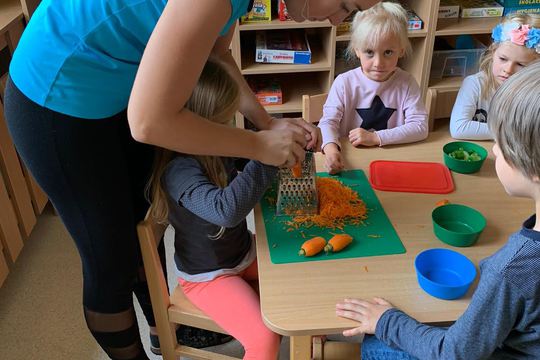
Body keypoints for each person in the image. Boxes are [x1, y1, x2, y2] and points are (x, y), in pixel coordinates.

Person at [3, 0, 381, 358]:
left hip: (114, 86)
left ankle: (162, 332)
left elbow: (217, 53)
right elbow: (150, 122)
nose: (337, 21)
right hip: (55, 95)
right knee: (110, 261)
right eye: (347, 6)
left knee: (139, 219)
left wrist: (267, 125)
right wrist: (259, 146)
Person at [335, 61, 540, 359]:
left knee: (376, 345)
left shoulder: (513, 269)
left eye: (504, 145)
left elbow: (453, 353)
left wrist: (386, 320)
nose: (494, 150)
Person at [148, 59, 281, 359]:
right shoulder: (178, 171)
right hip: (208, 277)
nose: (231, 130)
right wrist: (266, 157)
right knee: (265, 338)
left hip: (241, 253)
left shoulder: (217, 148)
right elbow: (226, 211)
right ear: (200, 123)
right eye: (224, 122)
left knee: (300, 276)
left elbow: (246, 173)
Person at [318, 2, 428, 175]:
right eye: (369, 52)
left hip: (393, 163)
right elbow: (328, 123)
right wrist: (331, 151)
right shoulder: (344, 83)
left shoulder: (407, 82)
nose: (378, 63)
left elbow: (420, 127)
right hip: (354, 164)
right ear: (357, 50)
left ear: (401, 50)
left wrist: (375, 137)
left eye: (388, 52)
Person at [449, 14, 540, 140]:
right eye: (503, 59)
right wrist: (514, 134)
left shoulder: (534, 94)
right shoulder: (475, 84)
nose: (508, 70)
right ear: (493, 52)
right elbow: (459, 128)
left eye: (520, 64)